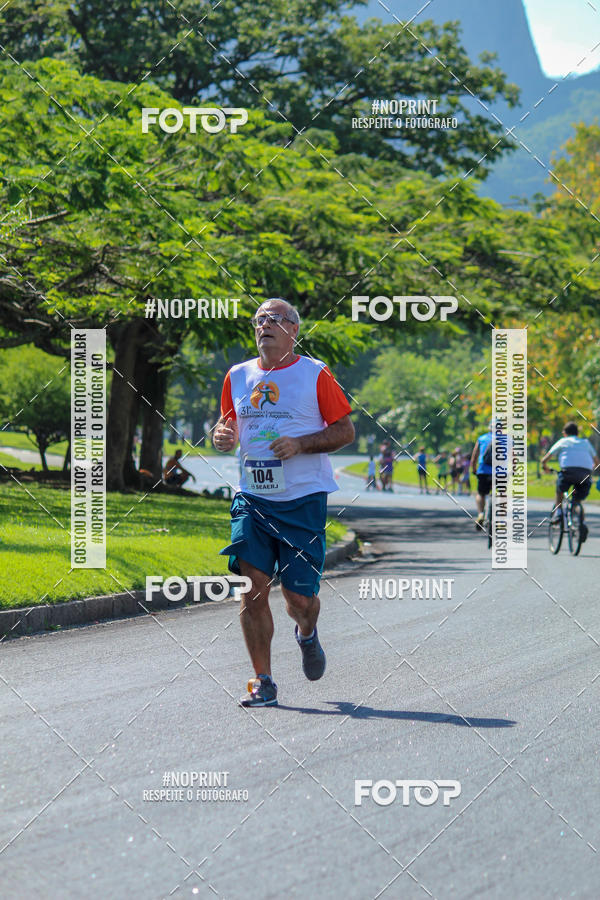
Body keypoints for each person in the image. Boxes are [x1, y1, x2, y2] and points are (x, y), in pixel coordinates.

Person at [213, 297, 354, 707]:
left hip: (302, 500)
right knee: (251, 588)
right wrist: (223, 437)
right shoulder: (237, 375)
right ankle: (263, 680)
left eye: (276, 319)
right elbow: (228, 427)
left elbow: (345, 431)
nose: (265, 325)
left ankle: (306, 632)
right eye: (260, 320)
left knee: (300, 601)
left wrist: (301, 443)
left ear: (294, 329)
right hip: (252, 499)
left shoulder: (315, 374)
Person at [541, 421, 599, 527]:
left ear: (564, 433)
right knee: (577, 500)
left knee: (560, 490)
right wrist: (590, 472)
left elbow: (545, 459)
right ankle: (582, 523)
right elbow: (597, 462)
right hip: (585, 474)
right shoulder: (586, 442)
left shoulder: (563, 441)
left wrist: (545, 467)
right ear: (577, 433)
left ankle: (558, 513)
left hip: (568, 472)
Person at [470, 425, 493, 528]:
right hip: (501, 472)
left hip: (483, 470)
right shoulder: (508, 439)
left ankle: (480, 514)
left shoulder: (482, 438)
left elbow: (474, 455)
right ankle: (501, 520)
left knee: (481, 493)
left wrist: (474, 469)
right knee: (502, 494)